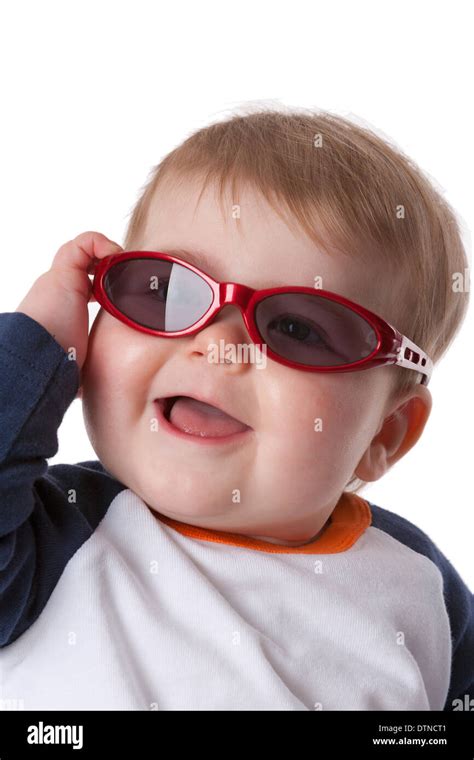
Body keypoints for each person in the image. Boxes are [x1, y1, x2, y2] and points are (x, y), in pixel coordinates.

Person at [0, 107, 472, 710]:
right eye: (166, 292)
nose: (218, 344)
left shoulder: (419, 585)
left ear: (385, 431)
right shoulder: (42, 539)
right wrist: (37, 344)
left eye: (297, 326)